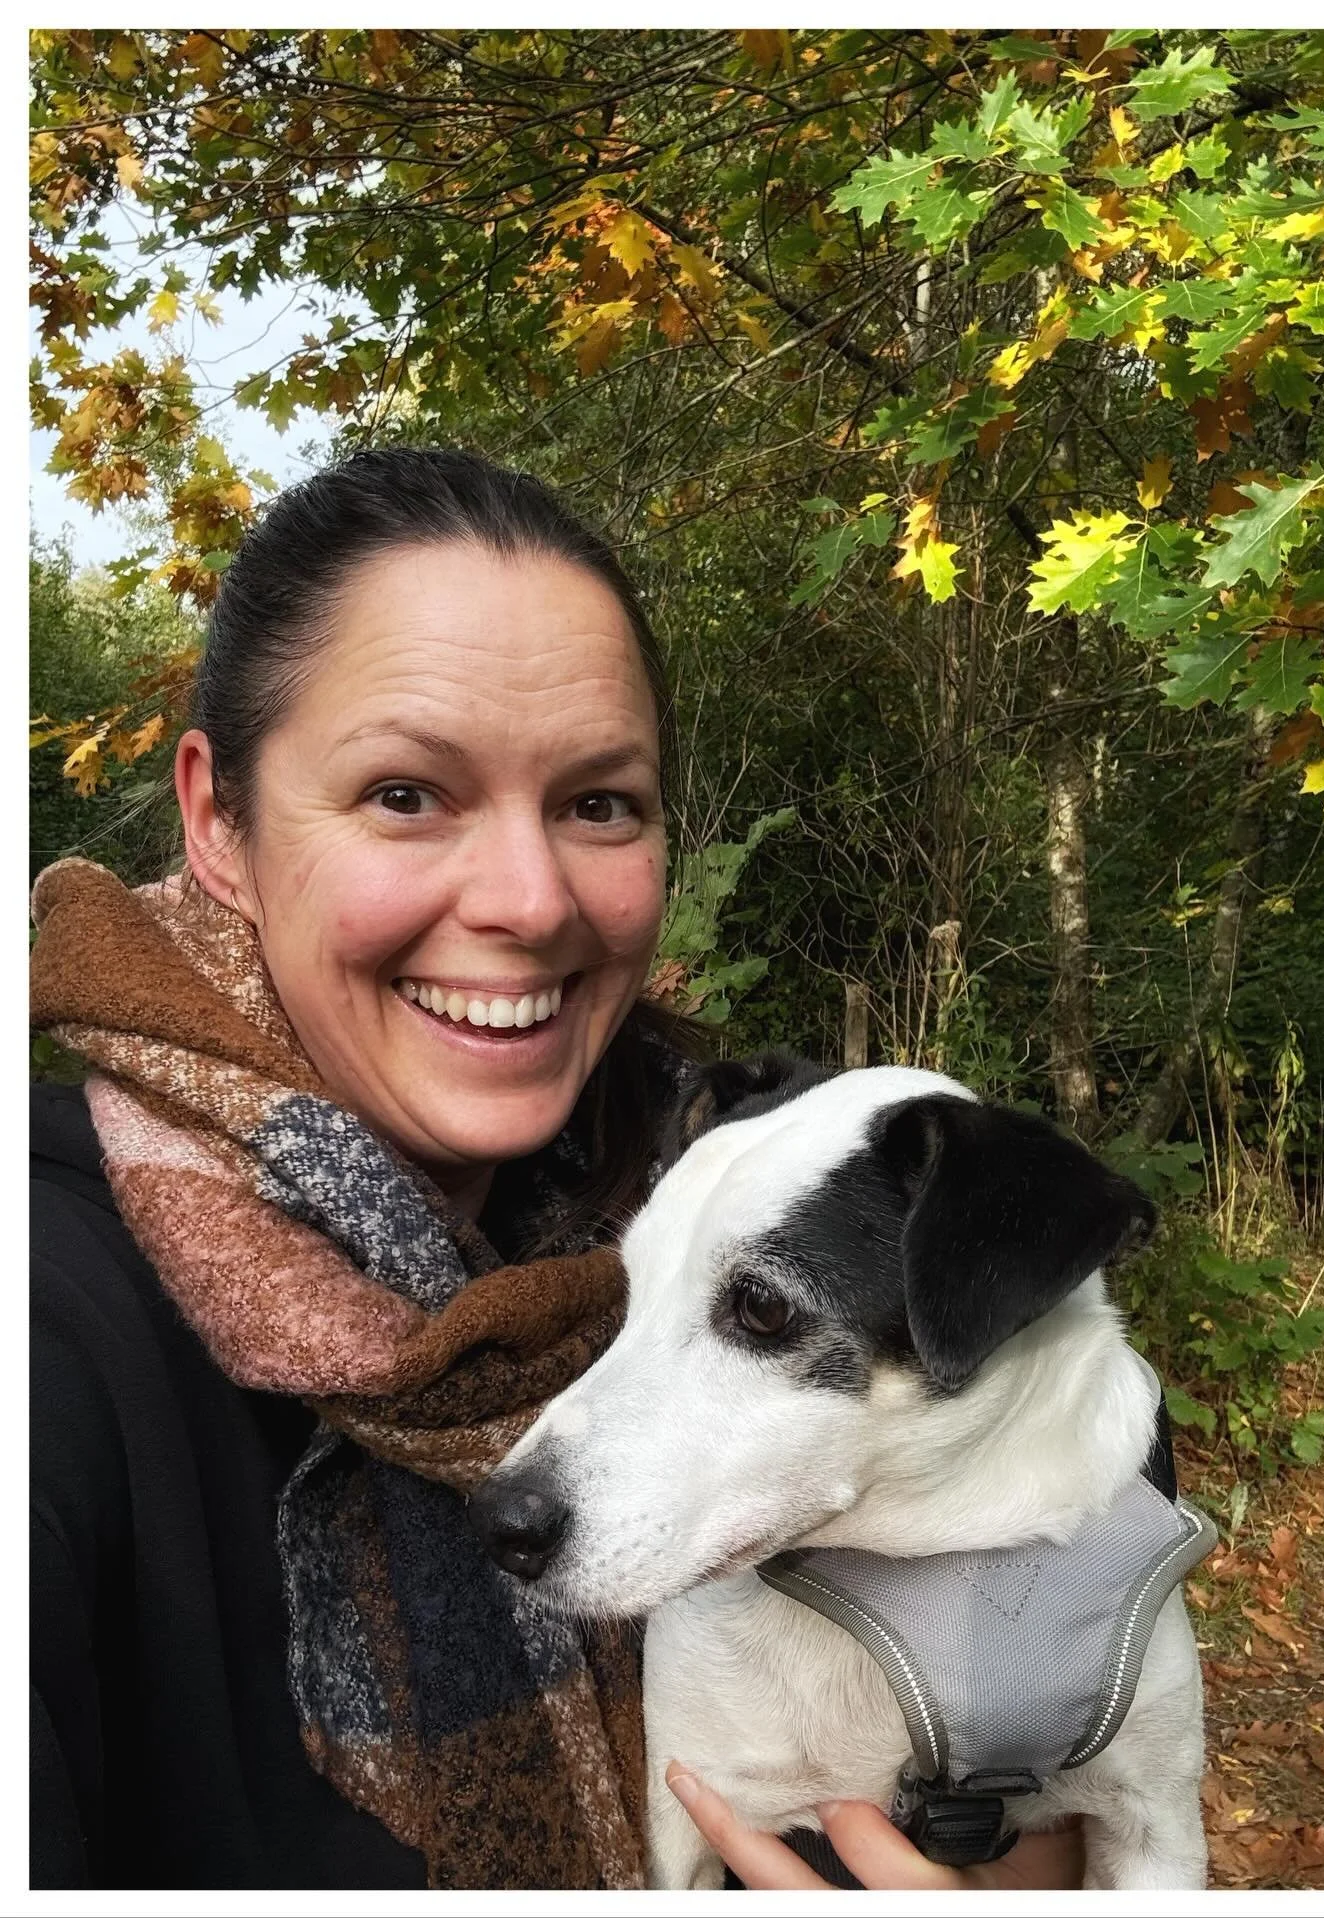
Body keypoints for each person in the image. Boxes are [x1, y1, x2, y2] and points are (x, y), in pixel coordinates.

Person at [30, 445, 1083, 1891]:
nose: (530, 901)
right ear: (220, 821)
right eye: (407, 793)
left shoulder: (749, 1199)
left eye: (599, 803)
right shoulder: (54, 1337)